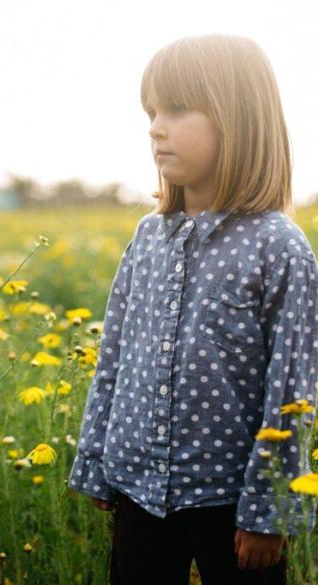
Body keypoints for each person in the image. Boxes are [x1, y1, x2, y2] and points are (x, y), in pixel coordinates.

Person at [68, 33, 318, 585]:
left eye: (177, 109)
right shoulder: (148, 235)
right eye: (152, 111)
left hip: (230, 505)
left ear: (238, 119)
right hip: (137, 488)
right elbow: (114, 353)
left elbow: (292, 392)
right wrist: (96, 460)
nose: (156, 126)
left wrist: (269, 510)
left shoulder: (279, 247)